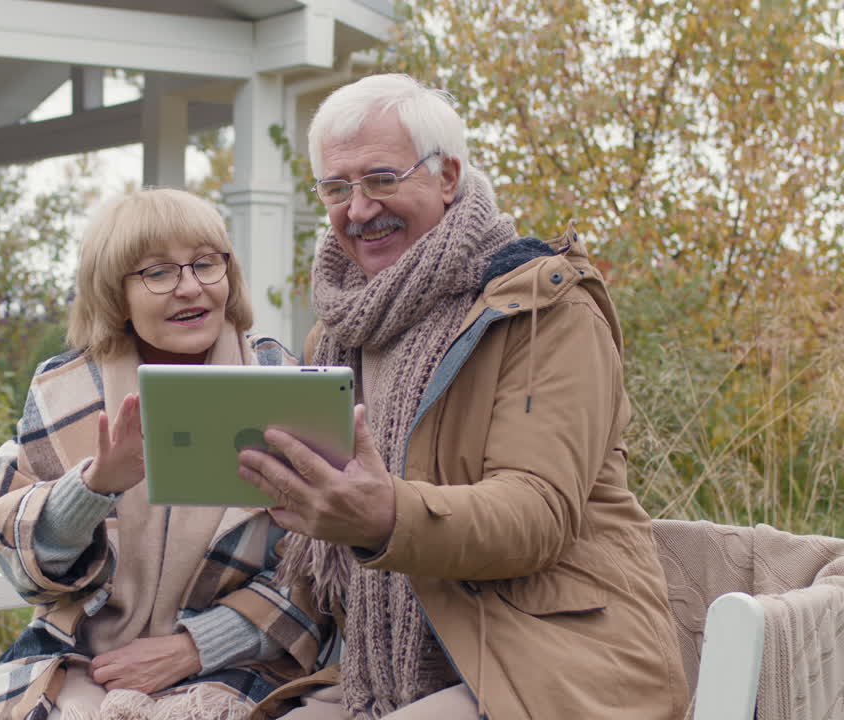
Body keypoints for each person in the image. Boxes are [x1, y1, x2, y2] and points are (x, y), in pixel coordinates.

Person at [235, 74, 689, 719]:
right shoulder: (337, 334)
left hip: (551, 662)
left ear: (447, 177)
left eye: (383, 179)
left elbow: (537, 516)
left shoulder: (546, 310)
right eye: (336, 188)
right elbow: (318, 559)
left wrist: (383, 517)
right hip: (376, 669)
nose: (359, 209)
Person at [0, 188, 331, 720]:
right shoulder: (64, 389)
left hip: (239, 666)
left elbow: (320, 566)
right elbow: (18, 563)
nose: (190, 288)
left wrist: (194, 647)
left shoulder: (279, 378)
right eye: (158, 273)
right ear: (115, 295)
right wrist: (93, 487)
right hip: (80, 660)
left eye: (206, 264)